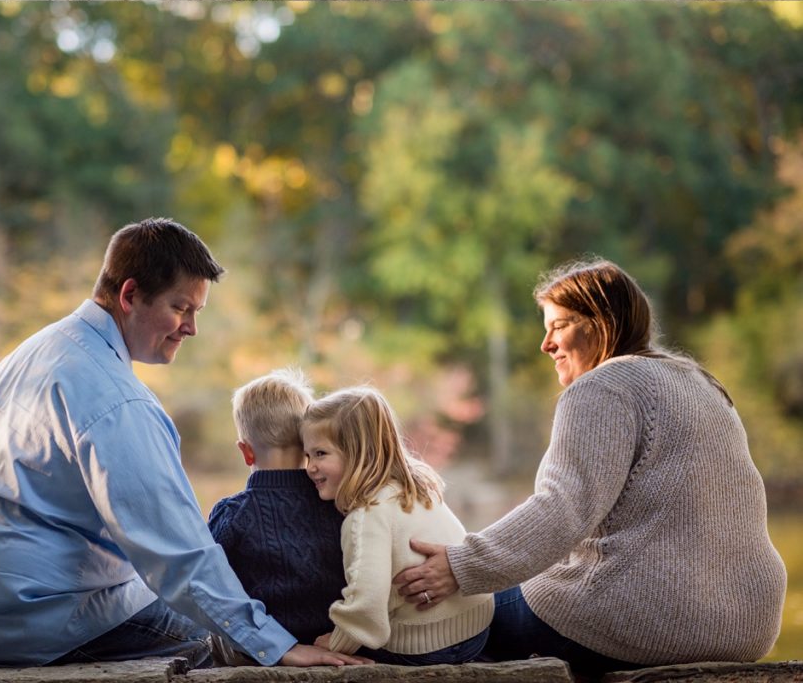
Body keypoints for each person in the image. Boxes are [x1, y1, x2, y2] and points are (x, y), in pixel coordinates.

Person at [0, 218, 367, 670]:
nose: (190, 327)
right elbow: (179, 555)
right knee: (230, 646)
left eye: (197, 312)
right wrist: (281, 647)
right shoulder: (116, 401)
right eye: (181, 308)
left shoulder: (41, 348)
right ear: (130, 295)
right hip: (33, 615)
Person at [394, 259, 787, 677]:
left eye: (558, 326)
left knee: (451, 618)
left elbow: (561, 508)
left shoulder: (602, 386)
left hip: (646, 618)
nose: (546, 344)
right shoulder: (702, 384)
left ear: (601, 323)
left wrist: (461, 566)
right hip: (748, 626)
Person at [302, 386, 494, 665]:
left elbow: (367, 599)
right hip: (476, 628)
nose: (310, 467)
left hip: (426, 645)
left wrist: (338, 642)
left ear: (357, 453)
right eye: (307, 456)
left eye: (320, 454)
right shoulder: (415, 486)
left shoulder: (367, 515)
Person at [208, 367, 346, 646]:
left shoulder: (233, 514)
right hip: (333, 640)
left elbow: (207, 581)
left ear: (246, 451)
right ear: (307, 442)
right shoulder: (338, 503)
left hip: (263, 647)